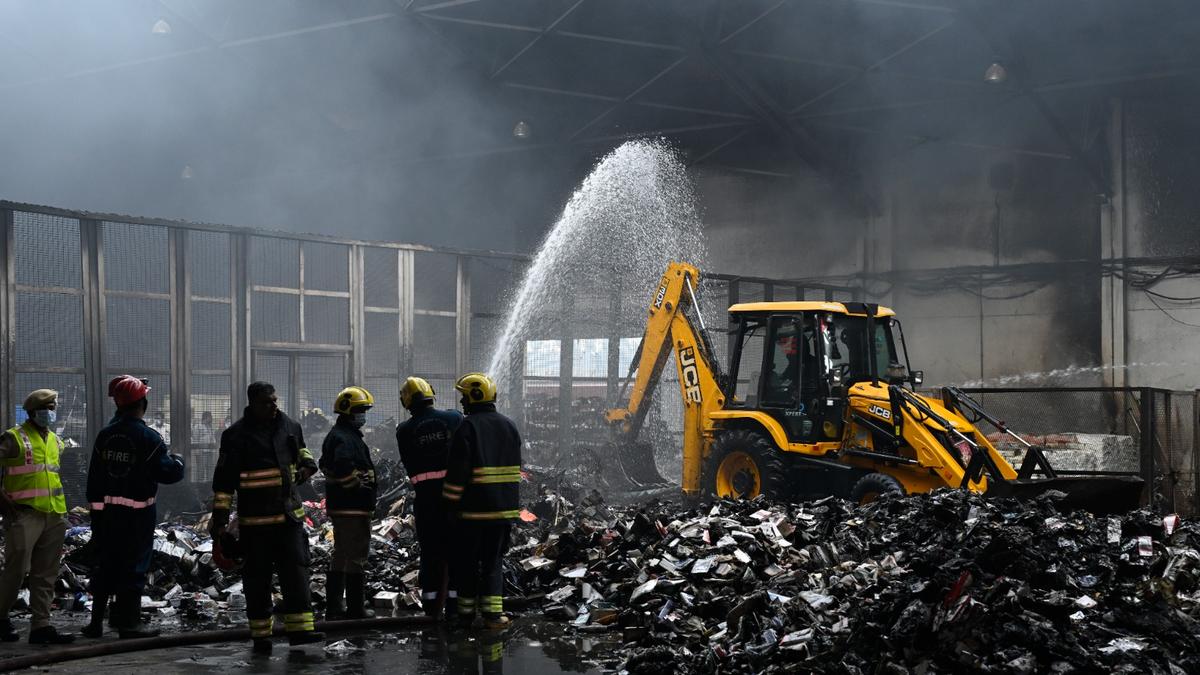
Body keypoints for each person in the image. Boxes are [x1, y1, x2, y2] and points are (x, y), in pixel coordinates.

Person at [210, 382, 323, 653]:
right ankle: (261, 637)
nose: (273, 405)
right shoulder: (235, 435)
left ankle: (301, 632)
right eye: (267, 402)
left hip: (288, 520)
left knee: (296, 575)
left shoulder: (290, 426)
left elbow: (303, 454)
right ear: (252, 403)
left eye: (275, 400)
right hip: (255, 523)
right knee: (257, 581)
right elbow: (224, 484)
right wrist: (220, 522)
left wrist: (307, 467)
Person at [84, 376, 185, 639]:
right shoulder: (148, 437)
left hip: (106, 515)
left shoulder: (105, 436)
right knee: (133, 568)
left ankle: (96, 624)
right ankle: (128, 624)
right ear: (143, 403)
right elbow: (168, 473)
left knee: (106, 565)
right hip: (137, 517)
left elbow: (94, 479)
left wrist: (96, 515)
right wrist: (178, 460)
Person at [443, 373, 522, 630]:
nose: (463, 401)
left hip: (473, 513)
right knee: (492, 563)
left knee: (467, 564)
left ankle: (465, 615)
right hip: (502, 513)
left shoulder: (467, 428)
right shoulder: (509, 426)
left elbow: (457, 473)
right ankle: (492, 616)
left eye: (464, 396)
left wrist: (450, 505)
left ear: (474, 396)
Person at [0, 389, 74, 644]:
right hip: (23, 514)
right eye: (47, 409)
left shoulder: (55, 440)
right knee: (17, 570)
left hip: (54, 513)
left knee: (46, 573)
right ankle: (0, 617)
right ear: (33, 412)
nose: (51, 413)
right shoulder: (13, 438)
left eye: (53, 408)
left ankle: (40, 626)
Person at [395, 377, 463, 619]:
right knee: (456, 554)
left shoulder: (404, 431)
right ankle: (455, 609)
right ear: (431, 394)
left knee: (431, 554)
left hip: (426, 503)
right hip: (455, 501)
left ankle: (431, 609)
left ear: (406, 402)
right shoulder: (454, 418)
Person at [319, 386, 377, 621]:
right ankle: (355, 609)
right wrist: (357, 486)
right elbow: (341, 465)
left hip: (343, 506)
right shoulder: (344, 437)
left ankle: (334, 608)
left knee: (341, 554)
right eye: (360, 410)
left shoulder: (340, 435)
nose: (363, 415)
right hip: (352, 507)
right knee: (356, 555)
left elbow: (325, 463)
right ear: (348, 412)